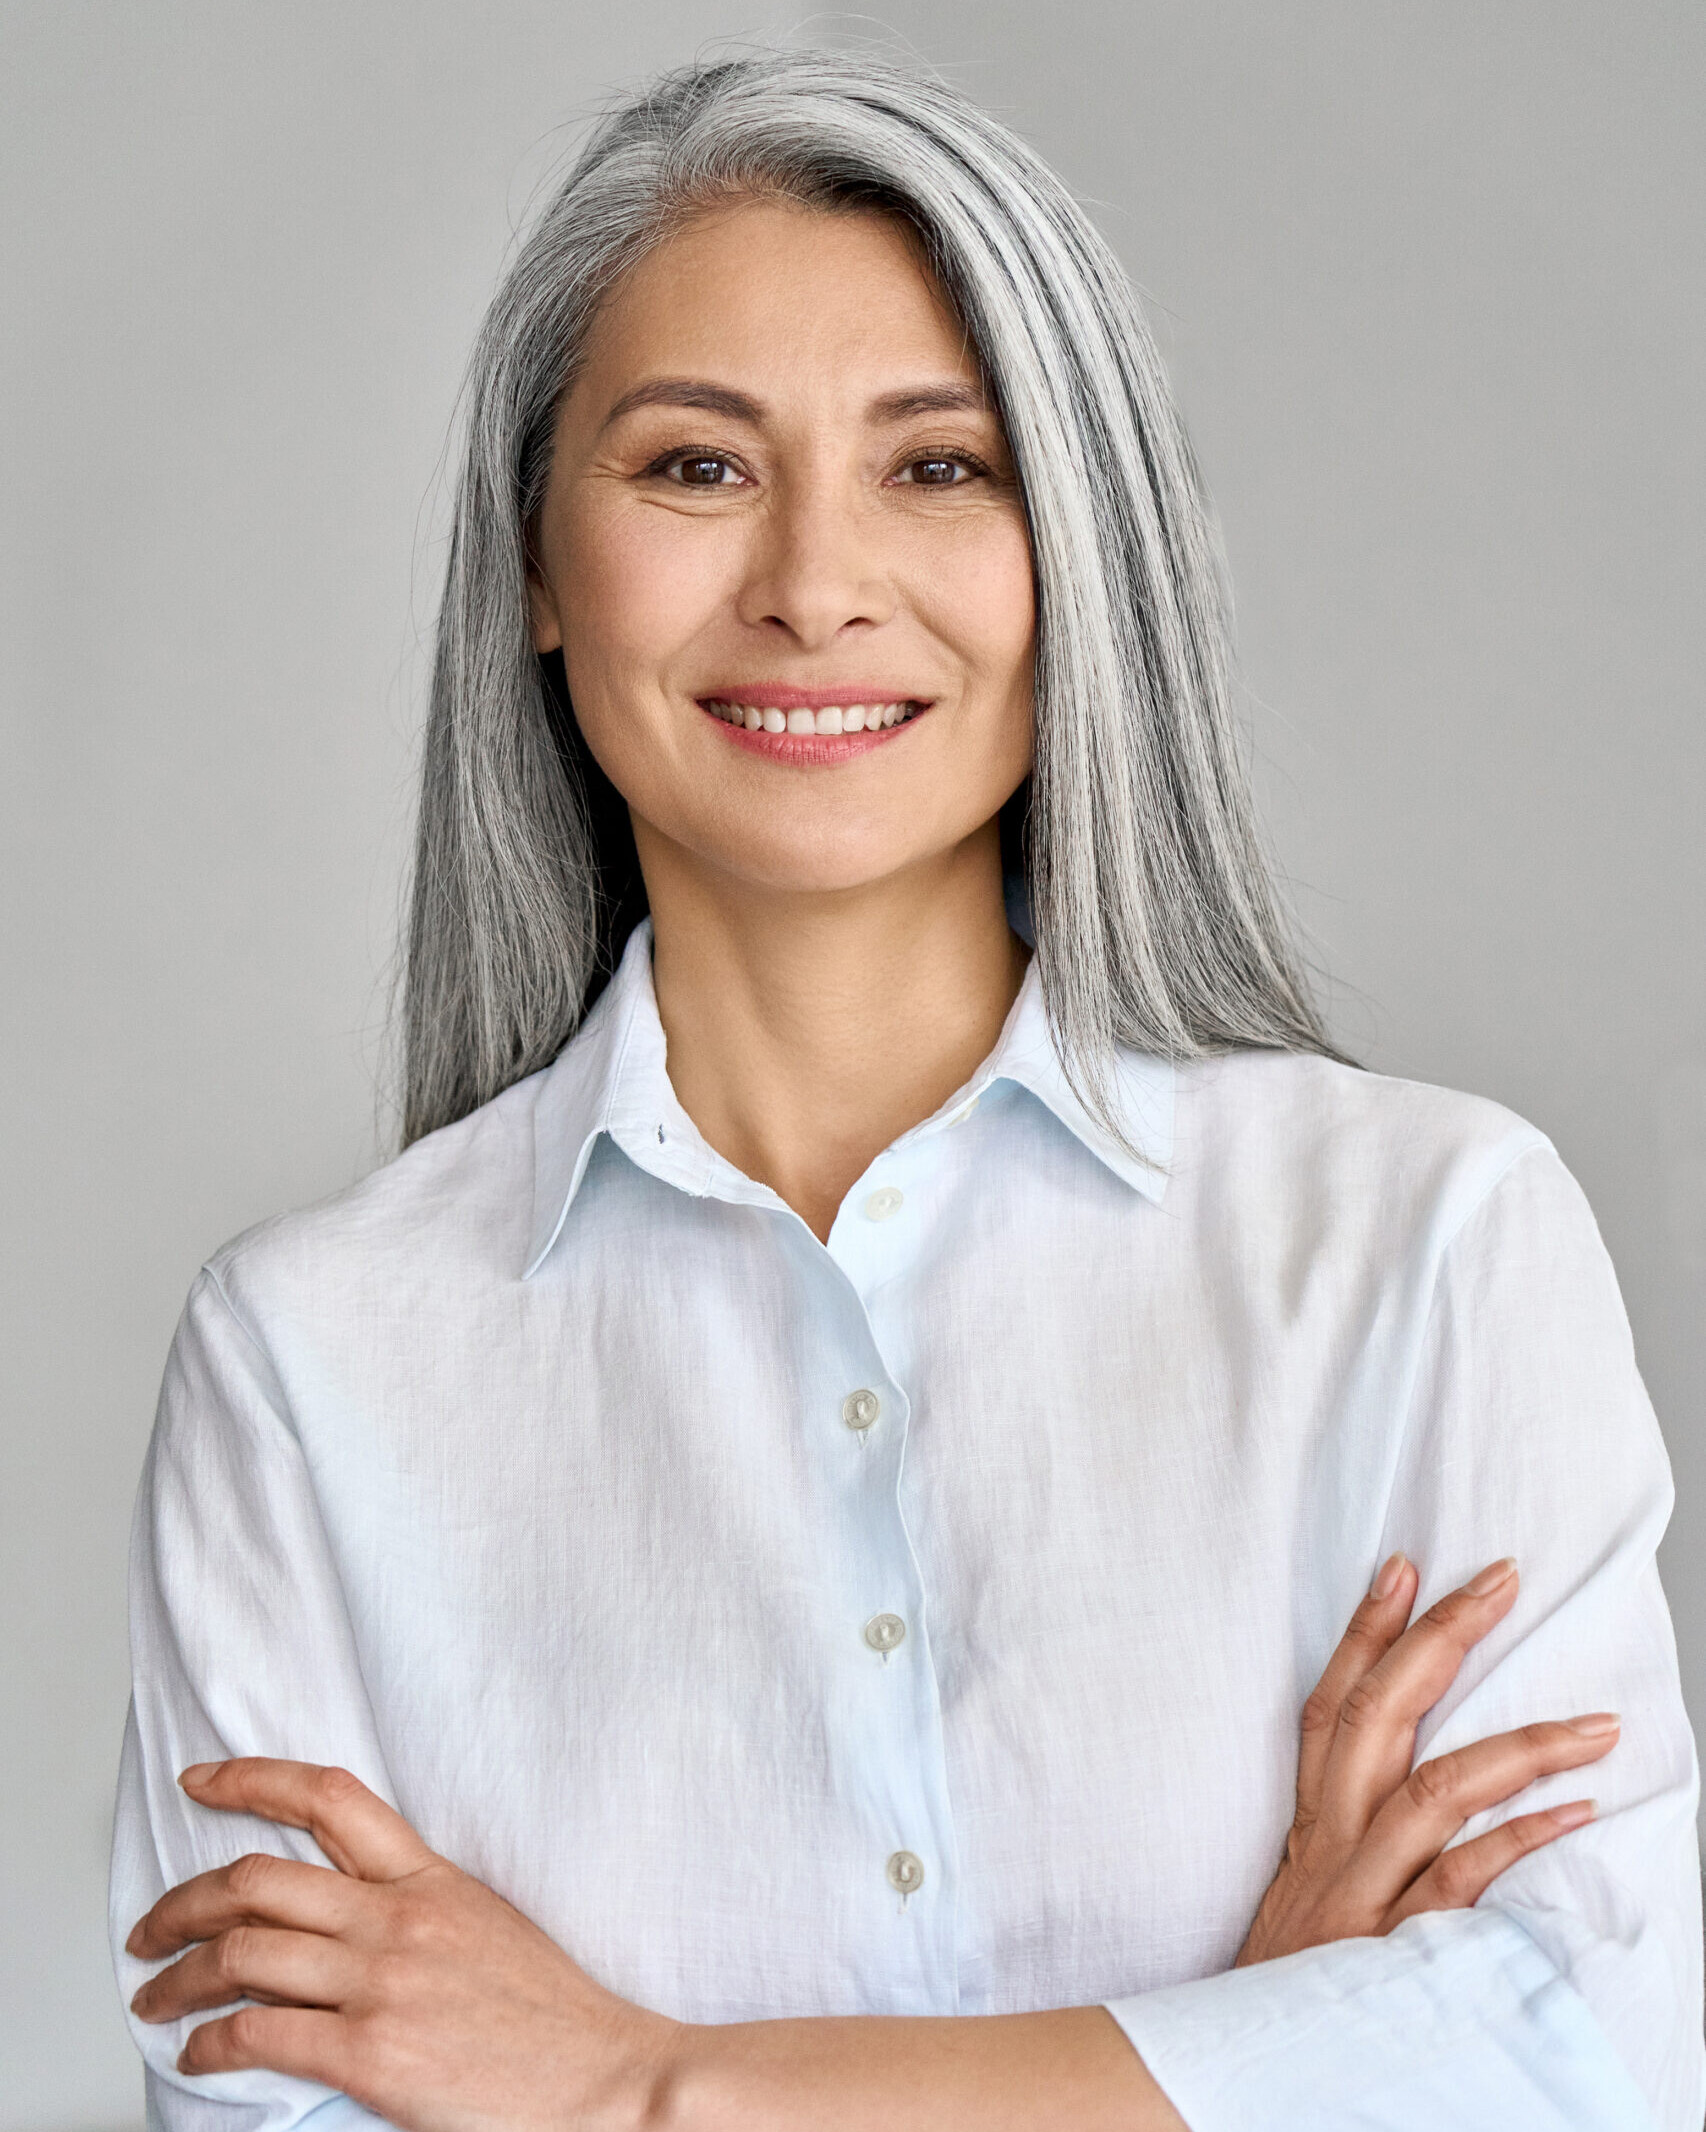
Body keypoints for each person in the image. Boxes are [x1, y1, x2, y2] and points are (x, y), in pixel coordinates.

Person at [109, 47, 1702, 2132]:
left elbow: (1585, 2058)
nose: (811, 580)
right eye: (692, 467)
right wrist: (1245, 2054)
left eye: (938, 467)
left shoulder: (1428, 1242)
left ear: (1079, 553)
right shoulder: (308, 1365)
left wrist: (634, 2085)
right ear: (532, 566)